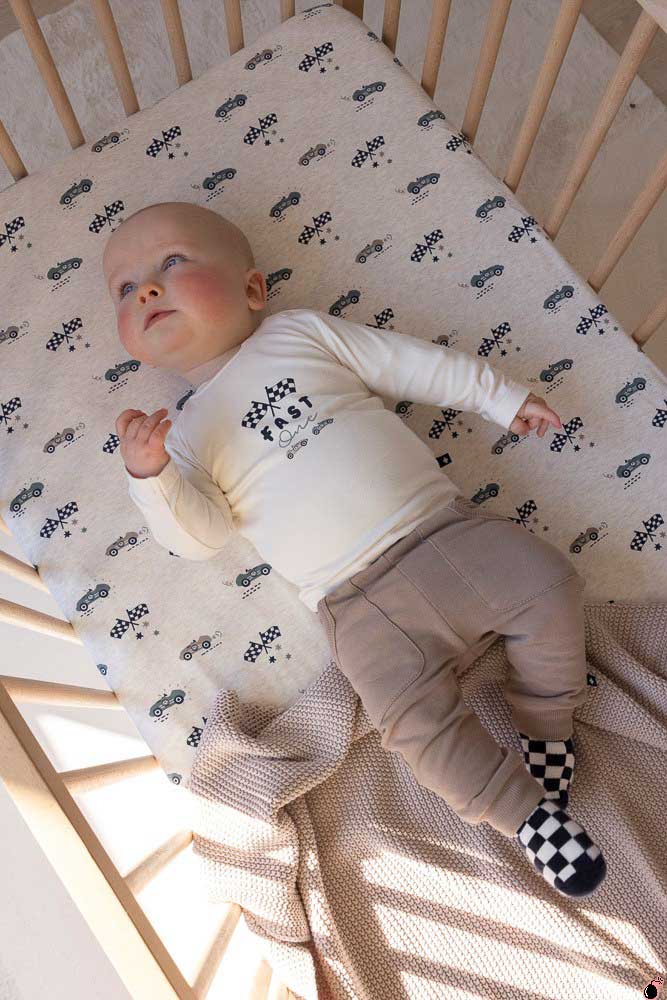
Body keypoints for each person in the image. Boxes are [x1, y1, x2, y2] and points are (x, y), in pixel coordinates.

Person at [104, 200, 606, 898]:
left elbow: (409, 364)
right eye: (126, 288)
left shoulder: (299, 334)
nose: (147, 290)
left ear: (252, 290)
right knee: (409, 724)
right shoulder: (183, 437)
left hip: (445, 532)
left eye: (171, 263)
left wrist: (498, 397)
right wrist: (151, 476)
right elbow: (201, 536)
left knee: (548, 582)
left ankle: (546, 727)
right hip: (356, 604)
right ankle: (527, 819)